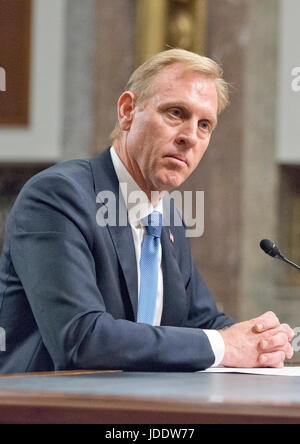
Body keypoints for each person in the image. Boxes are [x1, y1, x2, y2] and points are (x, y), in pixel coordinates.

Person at [0, 49, 294, 374]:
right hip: (45, 411)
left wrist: (261, 341)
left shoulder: (167, 217)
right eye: (176, 113)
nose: (189, 137)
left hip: (138, 407)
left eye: (205, 124)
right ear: (127, 111)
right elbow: (81, 340)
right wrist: (226, 345)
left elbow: (200, 320)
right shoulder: (58, 197)